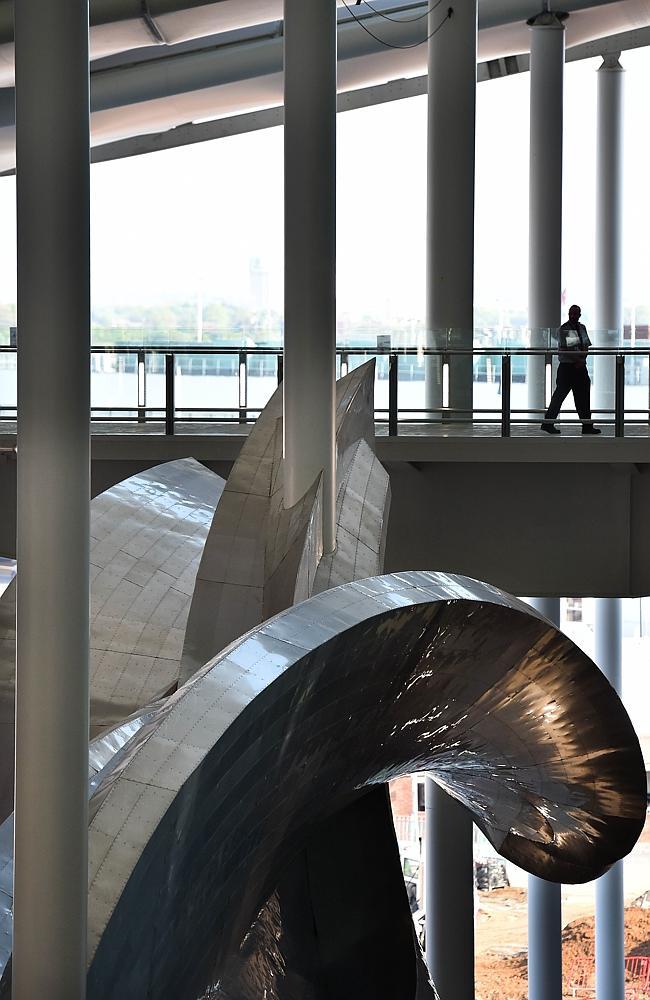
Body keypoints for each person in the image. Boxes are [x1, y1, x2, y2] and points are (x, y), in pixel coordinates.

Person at [540, 304, 601, 434]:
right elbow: (567, 349)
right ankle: (548, 423)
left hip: (579, 367)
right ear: (569, 314)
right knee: (559, 396)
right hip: (568, 368)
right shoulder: (565, 328)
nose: (573, 316)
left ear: (579, 315)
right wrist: (579, 360)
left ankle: (587, 426)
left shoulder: (581, 327)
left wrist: (581, 359)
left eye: (575, 314)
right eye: (571, 313)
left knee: (583, 396)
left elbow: (585, 346)